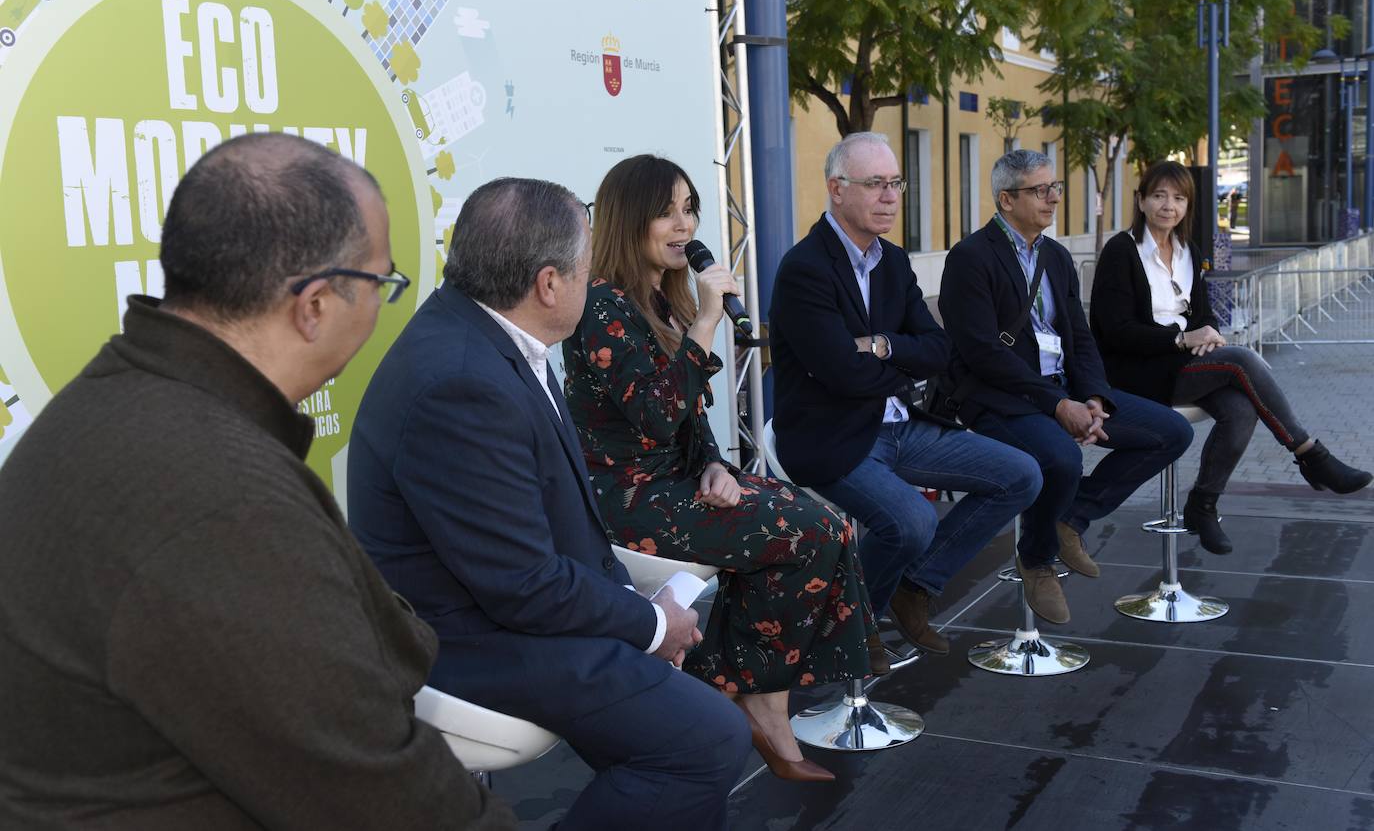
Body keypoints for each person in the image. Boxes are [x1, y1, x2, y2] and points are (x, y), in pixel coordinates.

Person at [0, 134, 514, 830]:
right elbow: (388, 798)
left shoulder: (125, 397)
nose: (379, 311)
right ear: (316, 305)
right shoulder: (219, 499)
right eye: (382, 284)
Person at [348, 176, 750, 830]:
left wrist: (640, 611)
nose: (592, 284)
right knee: (707, 741)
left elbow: (550, 534)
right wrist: (650, 626)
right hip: (467, 639)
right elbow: (523, 584)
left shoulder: (490, 337)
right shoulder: (460, 380)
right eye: (588, 270)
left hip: (508, 612)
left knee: (693, 720)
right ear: (548, 284)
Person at [562, 153, 873, 784]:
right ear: (630, 220)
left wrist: (713, 464)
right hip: (623, 496)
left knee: (831, 523)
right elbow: (653, 414)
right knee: (802, 533)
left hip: (675, 480)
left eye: (690, 208)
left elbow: (690, 415)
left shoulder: (658, 297)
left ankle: (745, 690)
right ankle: (751, 697)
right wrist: (706, 319)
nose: (685, 225)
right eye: (666, 211)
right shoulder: (599, 304)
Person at [769, 132, 1042, 655]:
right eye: (875, 184)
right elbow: (841, 375)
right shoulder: (805, 268)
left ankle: (915, 585)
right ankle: (849, 635)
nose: (891, 196)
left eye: (895, 182)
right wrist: (902, 364)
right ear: (836, 189)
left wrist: (880, 346)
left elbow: (941, 348)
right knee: (912, 521)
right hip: (834, 436)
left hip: (903, 425)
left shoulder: (893, 260)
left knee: (1021, 475)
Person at [940, 149, 1194, 624]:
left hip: (1060, 390)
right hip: (997, 398)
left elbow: (1079, 336)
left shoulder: (1055, 256)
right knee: (1061, 457)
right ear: (1006, 199)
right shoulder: (970, 257)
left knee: (1172, 433)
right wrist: (1060, 406)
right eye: (1041, 190)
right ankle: (1037, 560)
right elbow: (982, 355)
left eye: (1055, 187)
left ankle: (1069, 518)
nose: (1053, 198)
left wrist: (1095, 397)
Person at [1090, 160, 1371, 552]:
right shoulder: (1122, 251)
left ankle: (1203, 503)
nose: (1168, 205)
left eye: (1178, 197)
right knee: (1240, 360)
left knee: (1241, 408)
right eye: (1158, 195)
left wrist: (1207, 337)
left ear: (1187, 206)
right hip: (1136, 371)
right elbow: (1115, 331)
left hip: (1180, 365)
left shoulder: (1188, 250)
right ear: (1140, 201)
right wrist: (1183, 340)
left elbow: (1203, 317)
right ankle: (1311, 455)